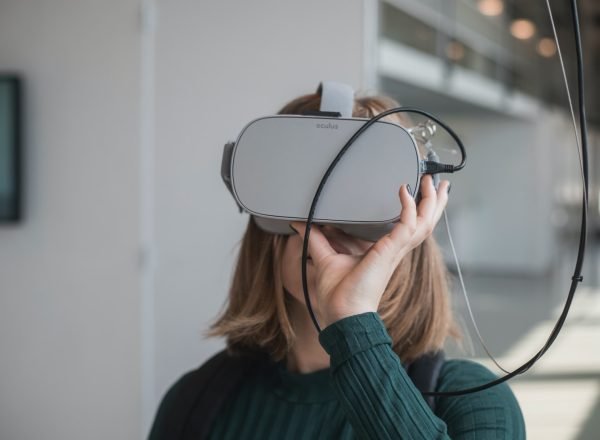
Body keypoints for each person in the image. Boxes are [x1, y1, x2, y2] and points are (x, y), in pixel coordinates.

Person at [149, 90, 526, 439]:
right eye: (307, 193)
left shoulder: (473, 403)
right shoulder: (195, 403)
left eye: (364, 199)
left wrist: (352, 318)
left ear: (413, 227)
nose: (328, 227)